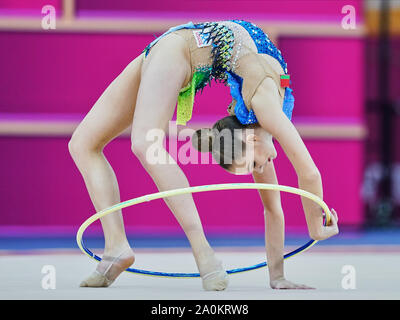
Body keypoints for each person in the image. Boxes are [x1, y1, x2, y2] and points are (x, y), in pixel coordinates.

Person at [68, 19, 339, 290]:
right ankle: (195, 255)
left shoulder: (255, 132)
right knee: (89, 144)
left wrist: (277, 277)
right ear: (251, 139)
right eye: (255, 164)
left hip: (178, 48)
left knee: (139, 143)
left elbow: (272, 209)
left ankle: (122, 248)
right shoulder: (265, 107)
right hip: (174, 46)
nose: (263, 167)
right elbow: (309, 172)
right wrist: (316, 227)